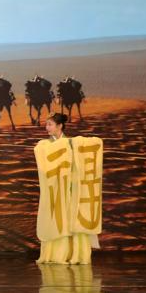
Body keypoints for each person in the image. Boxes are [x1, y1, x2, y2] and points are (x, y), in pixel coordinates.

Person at [35, 113, 103, 265]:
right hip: (57, 189)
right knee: (57, 219)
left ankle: (75, 253)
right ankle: (57, 254)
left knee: (72, 219)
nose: (47, 128)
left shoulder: (73, 144)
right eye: (46, 125)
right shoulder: (45, 145)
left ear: (60, 126)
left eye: (50, 124)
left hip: (72, 188)